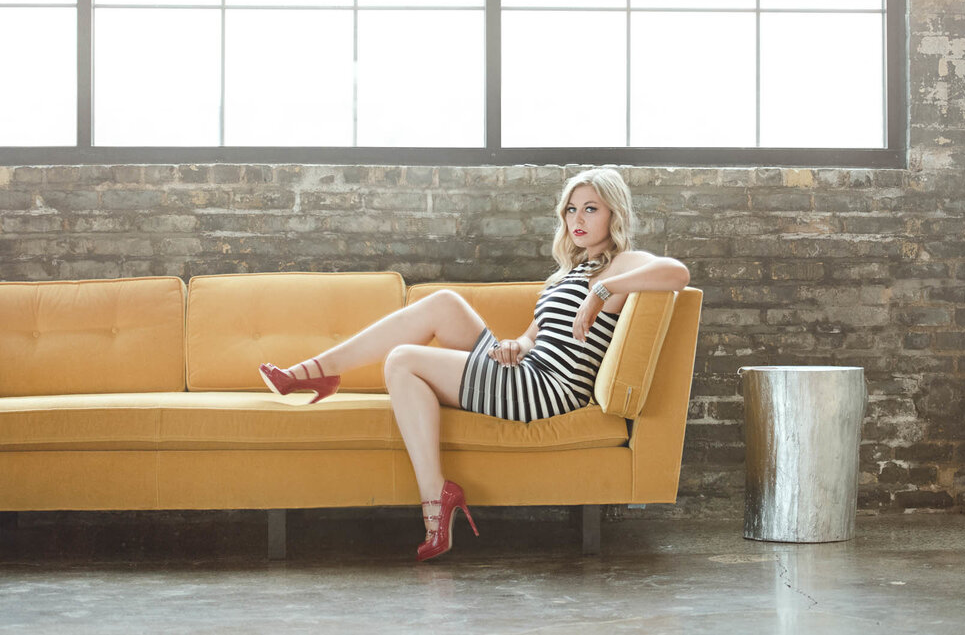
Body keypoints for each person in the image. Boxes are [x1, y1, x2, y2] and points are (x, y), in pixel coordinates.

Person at [258, 167, 690, 561]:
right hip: (527, 368)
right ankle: (315, 372)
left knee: (403, 361)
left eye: (590, 209)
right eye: (571, 210)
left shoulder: (621, 263)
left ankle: (436, 496)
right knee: (445, 303)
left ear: (613, 214)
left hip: (549, 390)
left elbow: (677, 274)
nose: (577, 219)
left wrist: (601, 292)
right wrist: (514, 345)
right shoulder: (566, 275)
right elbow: (537, 333)